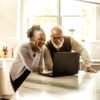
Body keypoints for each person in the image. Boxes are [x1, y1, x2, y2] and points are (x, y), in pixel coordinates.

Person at [9, 25, 46, 92]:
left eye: (44, 40)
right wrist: (38, 52)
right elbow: (32, 68)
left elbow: (40, 65)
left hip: (29, 73)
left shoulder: (42, 48)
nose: (43, 42)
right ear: (33, 38)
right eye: (40, 39)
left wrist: (40, 68)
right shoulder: (23, 48)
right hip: (18, 74)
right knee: (20, 96)